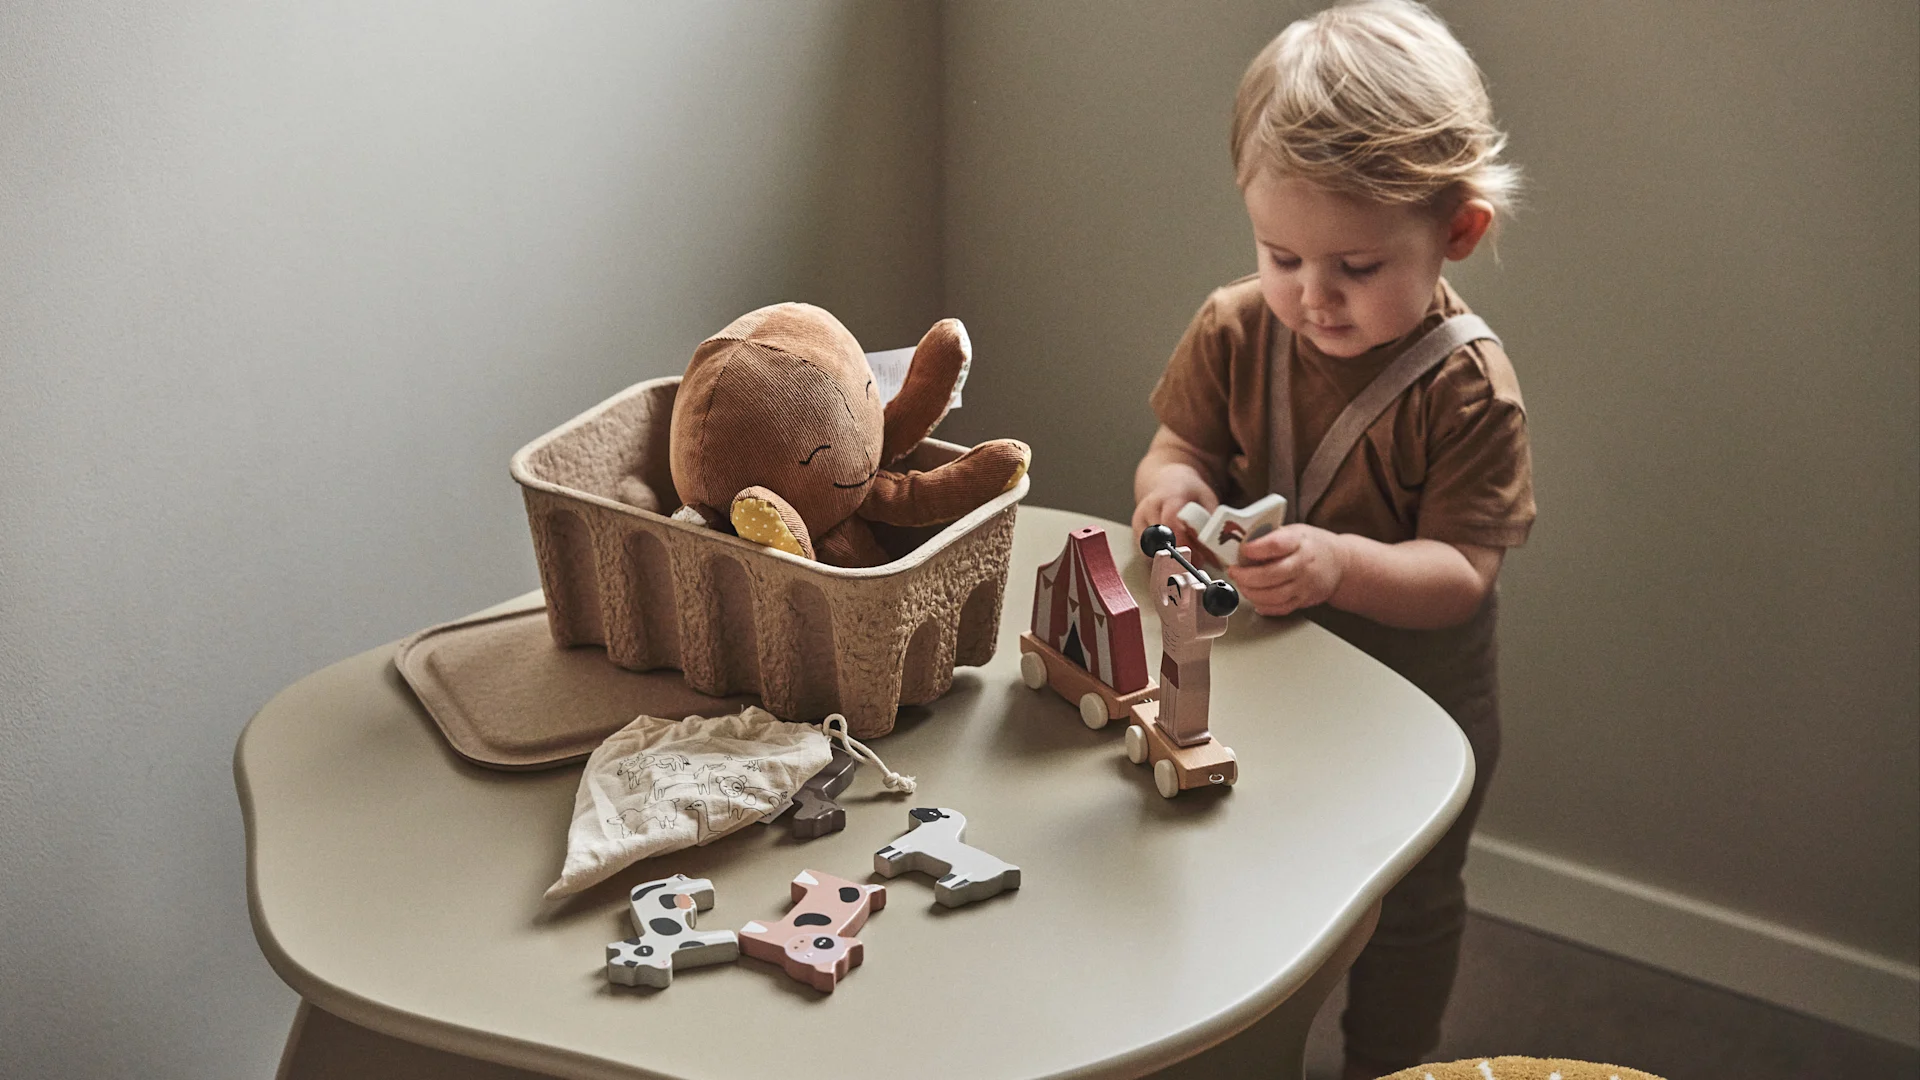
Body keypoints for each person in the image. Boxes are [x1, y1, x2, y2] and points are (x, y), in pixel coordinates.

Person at [1130, 2, 1535, 1075]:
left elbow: (1462, 572)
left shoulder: (1466, 388)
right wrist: (1170, 494)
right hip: (1266, 678)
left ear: (1457, 233)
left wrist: (1337, 566)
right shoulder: (1234, 327)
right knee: (1250, 866)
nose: (1313, 297)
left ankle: (1387, 1063)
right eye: (1281, 255)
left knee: (1409, 908)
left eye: (1355, 267)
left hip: (1415, 703)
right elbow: (1175, 450)